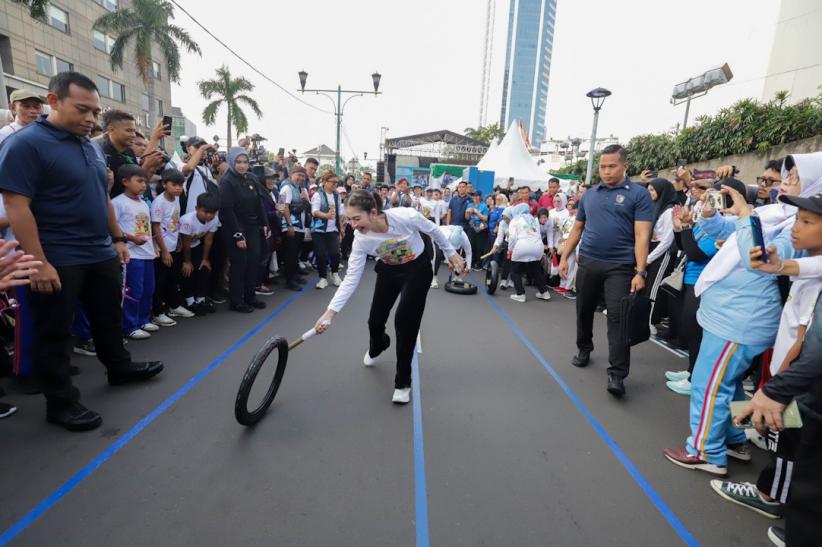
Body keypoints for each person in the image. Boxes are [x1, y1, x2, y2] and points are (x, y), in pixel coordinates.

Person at [0, 72, 163, 431]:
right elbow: (16, 205)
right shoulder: (26, 144)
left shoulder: (88, 145)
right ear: (54, 101)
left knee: (108, 317)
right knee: (55, 334)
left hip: (99, 250)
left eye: (95, 111)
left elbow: (101, 195)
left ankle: (118, 368)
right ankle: (61, 404)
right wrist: (39, 262)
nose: (91, 119)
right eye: (82, 109)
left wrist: (117, 239)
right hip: (56, 255)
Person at [663, 152, 822, 476]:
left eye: (792, 178)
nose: (784, 184)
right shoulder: (779, 214)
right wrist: (709, 216)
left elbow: (756, 257)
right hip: (730, 315)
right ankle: (734, 437)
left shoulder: (797, 227)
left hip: (739, 320)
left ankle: (706, 450)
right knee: (729, 383)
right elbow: (736, 229)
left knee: (709, 385)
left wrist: (747, 212)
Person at [312, 190, 466, 404]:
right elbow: (350, 279)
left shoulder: (406, 216)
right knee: (375, 321)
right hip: (389, 270)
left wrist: (450, 252)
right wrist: (329, 314)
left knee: (404, 322)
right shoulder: (360, 240)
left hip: (417, 270)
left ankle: (403, 382)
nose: (353, 225)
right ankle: (378, 345)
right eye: (350, 219)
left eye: (357, 218)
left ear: (373, 212)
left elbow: (434, 230)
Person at [558, 144, 654, 397]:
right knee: (583, 310)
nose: (606, 171)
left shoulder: (638, 195)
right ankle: (584, 349)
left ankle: (617, 374)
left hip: (620, 268)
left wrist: (640, 272)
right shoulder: (589, 195)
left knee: (618, 319)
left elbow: (642, 235)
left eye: (612, 166)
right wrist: (564, 257)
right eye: (602, 166)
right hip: (588, 262)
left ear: (625, 167)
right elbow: (577, 229)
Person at [664, 202, 720, 396]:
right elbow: (684, 247)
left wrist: (687, 227)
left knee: (695, 332)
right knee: (689, 330)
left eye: (708, 199)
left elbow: (695, 254)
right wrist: (679, 228)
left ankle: (695, 379)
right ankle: (691, 371)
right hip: (690, 281)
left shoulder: (720, 230)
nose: (703, 203)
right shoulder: (703, 226)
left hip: (702, 284)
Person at [112, 164, 158, 340]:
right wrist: (131, 238)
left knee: (148, 288)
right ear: (125, 181)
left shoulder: (144, 203)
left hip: (147, 253)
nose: (143, 185)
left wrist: (154, 246)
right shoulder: (118, 203)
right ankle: (129, 325)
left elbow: (146, 228)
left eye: (145, 181)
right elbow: (112, 228)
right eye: (139, 181)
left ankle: (142, 319)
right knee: (133, 291)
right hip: (131, 254)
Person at [219, 147, 267, 313]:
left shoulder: (251, 178)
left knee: (253, 260)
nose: (242, 165)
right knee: (240, 263)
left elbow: (258, 203)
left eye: (245, 162)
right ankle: (237, 301)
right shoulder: (227, 181)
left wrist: (265, 223)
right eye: (238, 162)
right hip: (235, 227)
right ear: (232, 162)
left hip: (252, 225)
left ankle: (250, 296)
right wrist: (238, 234)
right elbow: (227, 211)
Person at [151, 169, 191, 326]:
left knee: (172, 279)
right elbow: (156, 227)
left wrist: (179, 239)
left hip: (174, 245)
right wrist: (165, 251)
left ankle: (173, 306)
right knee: (160, 281)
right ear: (164, 184)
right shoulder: (159, 202)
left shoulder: (177, 199)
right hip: (162, 249)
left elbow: (176, 221)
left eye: (180, 185)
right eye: (174, 185)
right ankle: (158, 312)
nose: (178, 188)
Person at [642, 178, 678, 330]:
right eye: (648, 190)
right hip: (650, 250)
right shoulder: (654, 207)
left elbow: (667, 241)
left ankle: (650, 322)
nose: (650, 193)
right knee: (646, 286)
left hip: (662, 254)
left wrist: (649, 259)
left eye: (652, 190)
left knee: (653, 287)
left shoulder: (669, 210)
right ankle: (642, 319)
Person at [179, 192, 220, 314]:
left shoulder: (215, 219)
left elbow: (208, 239)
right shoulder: (187, 221)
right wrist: (187, 262)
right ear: (197, 209)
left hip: (196, 245)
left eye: (212, 213)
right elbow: (185, 243)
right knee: (187, 271)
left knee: (204, 268)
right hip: (181, 249)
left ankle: (201, 299)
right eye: (205, 212)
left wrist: (205, 259)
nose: (208, 215)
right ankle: (190, 301)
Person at [507, 204, 551, 303]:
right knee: (535, 269)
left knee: (515, 271)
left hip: (522, 245)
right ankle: (544, 292)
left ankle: (520, 294)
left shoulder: (515, 220)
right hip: (537, 246)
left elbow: (512, 237)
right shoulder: (533, 219)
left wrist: (510, 249)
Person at [278, 165, 310, 291]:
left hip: (300, 227)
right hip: (290, 227)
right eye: (298, 175)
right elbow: (282, 206)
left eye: (303, 176)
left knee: (295, 254)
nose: (301, 178)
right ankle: (289, 280)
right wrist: (289, 224)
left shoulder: (302, 189)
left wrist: (306, 200)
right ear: (291, 174)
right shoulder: (286, 187)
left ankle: (294, 276)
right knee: (290, 255)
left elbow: (308, 208)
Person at [311, 171, 344, 289]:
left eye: (337, 182)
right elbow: (314, 211)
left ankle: (334, 273)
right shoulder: (317, 195)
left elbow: (340, 213)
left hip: (333, 229)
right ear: (324, 182)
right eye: (332, 182)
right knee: (320, 255)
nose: (335, 184)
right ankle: (322, 278)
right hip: (319, 230)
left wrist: (341, 228)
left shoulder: (337, 195)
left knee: (335, 253)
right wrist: (326, 216)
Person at [431, 224, 472, 289]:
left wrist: (468, 267)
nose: (454, 250)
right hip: (438, 238)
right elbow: (444, 250)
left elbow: (469, 252)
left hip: (448, 240)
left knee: (458, 257)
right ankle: (434, 278)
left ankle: (457, 277)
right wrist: (449, 262)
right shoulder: (444, 236)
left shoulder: (464, 238)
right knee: (438, 256)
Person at [465, 192, 489, 270]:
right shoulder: (470, 205)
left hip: (480, 228)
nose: (475, 198)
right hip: (471, 227)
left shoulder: (484, 205)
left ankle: (478, 264)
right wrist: (467, 212)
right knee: (471, 245)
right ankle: (470, 263)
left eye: (477, 196)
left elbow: (485, 218)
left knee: (479, 246)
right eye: (474, 196)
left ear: (480, 197)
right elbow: (467, 218)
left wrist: (476, 211)